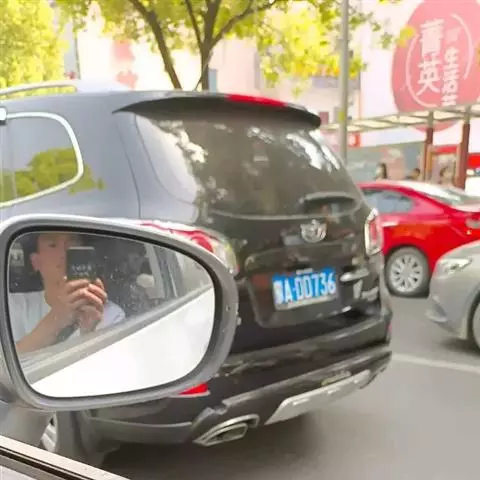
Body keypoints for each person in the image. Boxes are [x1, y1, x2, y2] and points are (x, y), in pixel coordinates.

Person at [9, 232, 125, 354]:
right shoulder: (12, 305)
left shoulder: (111, 314)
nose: (64, 252)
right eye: (52, 245)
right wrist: (56, 318)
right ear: (36, 262)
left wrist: (89, 333)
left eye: (73, 244)